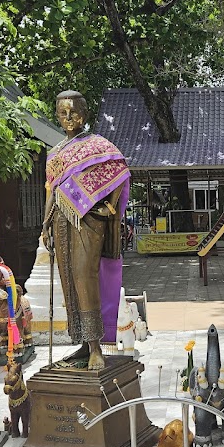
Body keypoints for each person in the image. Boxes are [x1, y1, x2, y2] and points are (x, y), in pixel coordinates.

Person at [42, 91, 130, 370]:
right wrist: (44, 225)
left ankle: (96, 346)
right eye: (62, 114)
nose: (68, 119)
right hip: (61, 220)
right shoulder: (55, 153)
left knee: (84, 277)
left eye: (74, 113)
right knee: (68, 280)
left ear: (85, 114)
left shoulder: (99, 146)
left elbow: (119, 172)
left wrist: (109, 207)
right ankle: (81, 341)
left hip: (89, 220)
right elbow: (51, 191)